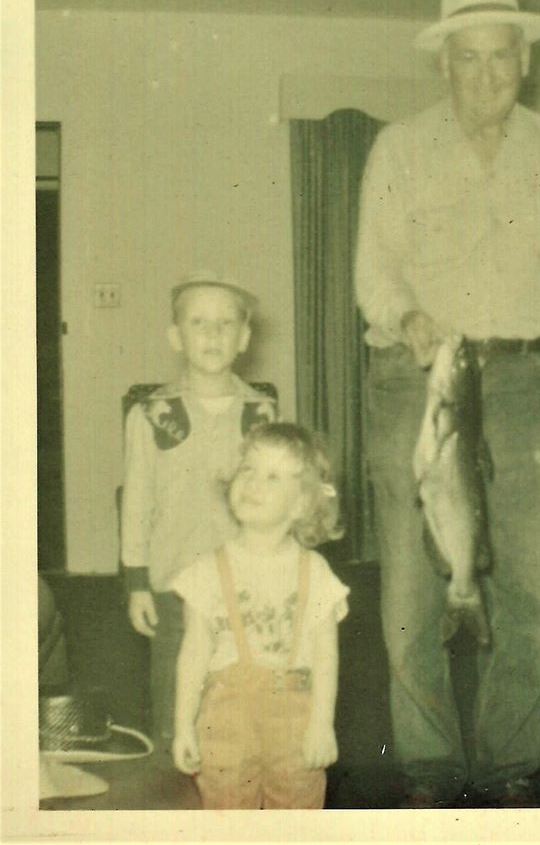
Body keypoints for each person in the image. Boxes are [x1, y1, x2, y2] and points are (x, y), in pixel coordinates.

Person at [354, 0, 540, 807]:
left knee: (534, 590)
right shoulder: (398, 146)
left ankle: (506, 769)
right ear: (444, 65)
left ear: (524, 60)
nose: (485, 75)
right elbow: (373, 268)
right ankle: (430, 770)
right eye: (467, 60)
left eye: (500, 58)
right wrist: (409, 320)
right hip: (417, 375)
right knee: (410, 592)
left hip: (526, 379)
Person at [120, 271, 277, 753]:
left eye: (225, 323)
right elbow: (137, 500)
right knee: (177, 700)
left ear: (244, 338)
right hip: (173, 583)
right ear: (176, 336)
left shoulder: (263, 413)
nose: (212, 334)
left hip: (244, 581)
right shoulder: (152, 413)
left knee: (242, 693)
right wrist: (136, 581)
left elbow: (277, 497)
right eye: (198, 322)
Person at [170, 422, 348, 809]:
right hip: (225, 719)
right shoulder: (205, 570)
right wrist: (183, 726)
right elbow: (194, 653)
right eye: (248, 469)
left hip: (296, 722)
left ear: (301, 503)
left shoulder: (315, 572)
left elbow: (325, 656)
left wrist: (321, 723)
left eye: (272, 476)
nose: (253, 482)